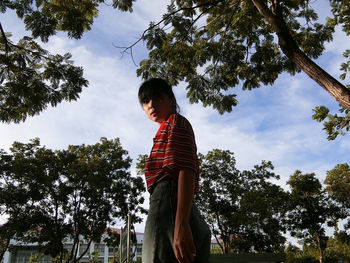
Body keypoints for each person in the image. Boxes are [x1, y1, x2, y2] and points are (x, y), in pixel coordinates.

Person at [138, 78, 211, 263]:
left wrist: (181, 225)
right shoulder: (165, 128)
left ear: (172, 100)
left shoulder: (176, 122)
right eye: (146, 102)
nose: (151, 104)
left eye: (158, 98)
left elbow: (185, 169)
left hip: (169, 203)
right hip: (173, 206)